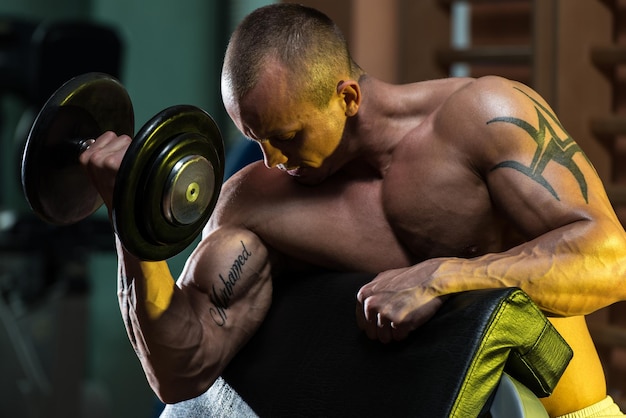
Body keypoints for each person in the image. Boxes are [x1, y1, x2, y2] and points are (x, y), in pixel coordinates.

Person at [79, 3, 626, 417]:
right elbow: (181, 369)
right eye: (257, 139)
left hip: (554, 409)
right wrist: (130, 219)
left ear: (347, 97)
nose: (272, 160)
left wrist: (444, 277)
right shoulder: (258, 198)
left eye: (287, 136)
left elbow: (612, 258)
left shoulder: (484, 117)